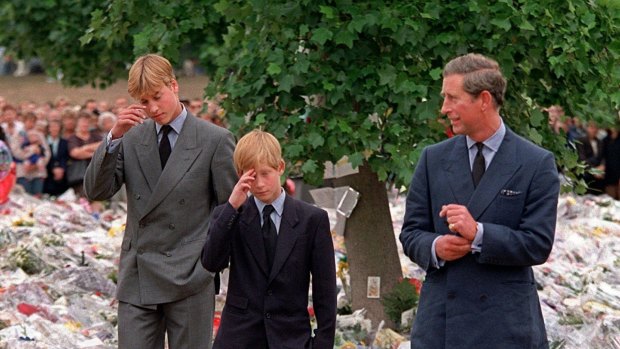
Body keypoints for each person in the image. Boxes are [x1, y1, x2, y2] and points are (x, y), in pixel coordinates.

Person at [399, 53, 560, 349]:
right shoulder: (433, 158)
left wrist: (479, 234)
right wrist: (436, 247)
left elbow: (538, 243)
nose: (445, 108)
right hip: (442, 324)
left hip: (505, 325)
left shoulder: (535, 163)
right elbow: (411, 233)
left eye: (452, 98)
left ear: (483, 99)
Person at [83, 53, 237, 349]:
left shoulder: (215, 140)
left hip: (191, 275)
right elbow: (96, 191)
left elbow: (229, 213)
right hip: (138, 275)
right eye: (143, 102)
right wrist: (113, 137)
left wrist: (210, 266)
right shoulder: (130, 137)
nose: (152, 108)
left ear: (174, 85)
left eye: (157, 97)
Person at [201, 129, 337, 349]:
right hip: (239, 338)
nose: (260, 184)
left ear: (280, 167)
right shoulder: (230, 215)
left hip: (291, 337)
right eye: (252, 176)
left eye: (266, 174)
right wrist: (232, 207)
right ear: (240, 174)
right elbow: (211, 262)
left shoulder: (312, 219)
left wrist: (322, 343)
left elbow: (326, 291)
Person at [575, 121, 605, 194]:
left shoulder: (600, 142)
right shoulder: (580, 141)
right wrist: (594, 171)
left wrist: (602, 166)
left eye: (596, 127)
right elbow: (582, 159)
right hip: (585, 177)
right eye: (592, 127)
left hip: (598, 180)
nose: (594, 130)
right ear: (587, 128)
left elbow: (603, 157)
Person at [43, 120, 70, 196]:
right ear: (48, 129)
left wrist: (62, 168)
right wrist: (53, 168)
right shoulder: (43, 141)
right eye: (52, 127)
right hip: (47, 173)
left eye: (57, 127)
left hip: (61, 174)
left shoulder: (64, 142)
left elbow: (65, 157)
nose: (55, 129)